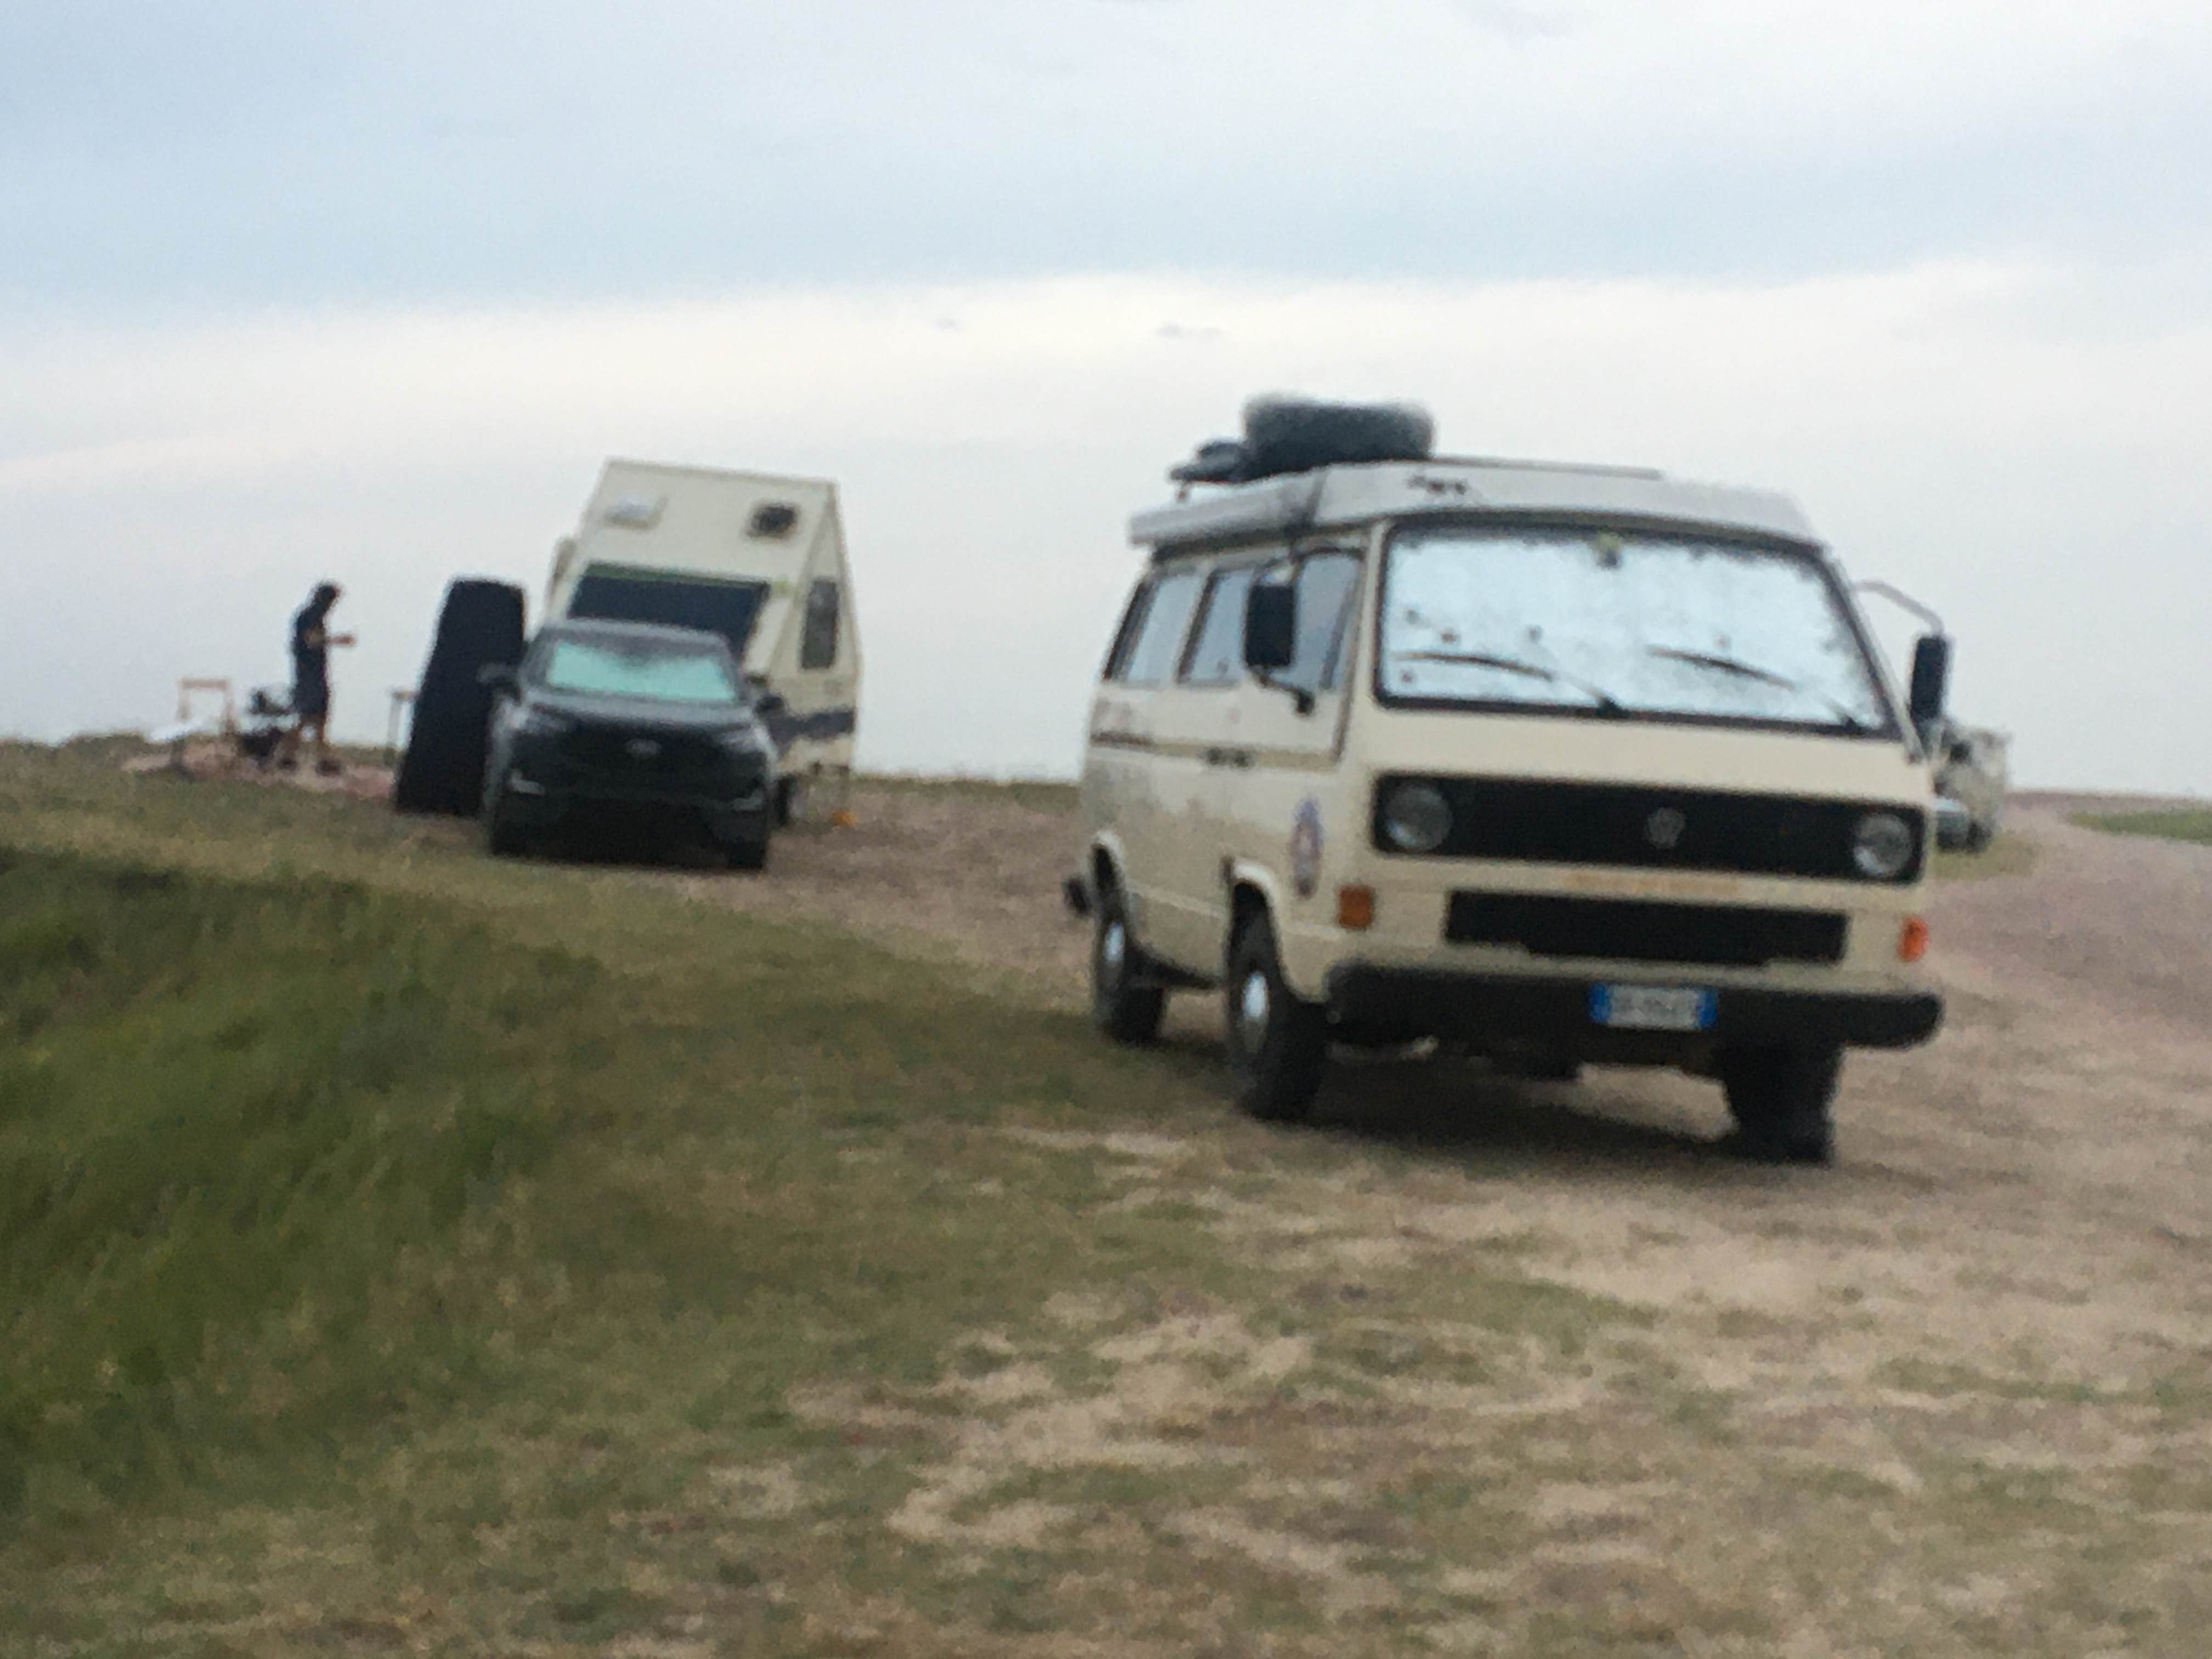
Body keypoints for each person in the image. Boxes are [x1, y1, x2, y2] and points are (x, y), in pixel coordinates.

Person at [280, 582, 356, 774]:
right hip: (309, 675)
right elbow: (310, 640)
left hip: (315, 673)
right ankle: (289, 755)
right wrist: (337, 640)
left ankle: (318, 759)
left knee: (319, 718)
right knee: (308, 716)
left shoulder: (316, 617)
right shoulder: (309, 617)